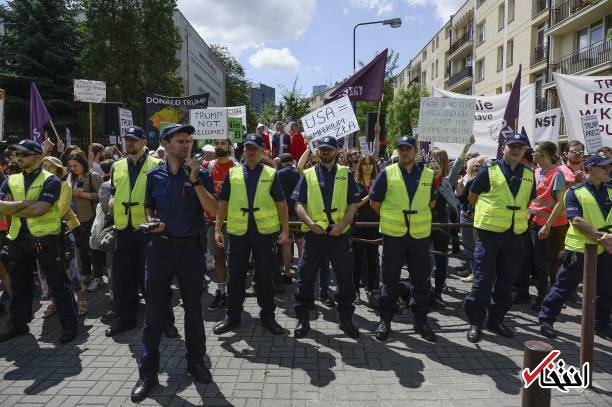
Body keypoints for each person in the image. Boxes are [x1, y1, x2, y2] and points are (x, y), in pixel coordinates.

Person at [132, 124, 218, 402]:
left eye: (189, 141)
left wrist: (194, 180)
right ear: (166, 144)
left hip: (190, 252)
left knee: (194, 311)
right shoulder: (153, 175)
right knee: (154, 313)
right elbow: (149, 207)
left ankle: (196, 361)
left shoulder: (200, 174)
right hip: (159, 250)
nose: (186, 146)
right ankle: (148, 373)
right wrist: (152, 221)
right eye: (180, 141)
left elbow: (214, 210)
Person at [0, 140, 78, 343]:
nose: (19, 158)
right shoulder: (12, 179)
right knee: (19, 283)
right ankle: (18, 324)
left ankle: (69, 327)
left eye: (24, 154)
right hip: (18, 238)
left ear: (37, 156)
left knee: (58, 284)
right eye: (17, 155)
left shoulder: (50, 180)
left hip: (46, 238)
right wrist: (26, 204)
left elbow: (40, 209)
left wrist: (13, 206)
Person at [212, 133, 289, 336]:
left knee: (265, 276)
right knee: (235, 277)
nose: (250, 151)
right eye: (247, 147)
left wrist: (285, 230)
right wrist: (218, 229)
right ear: (243, 150)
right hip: (238, 234)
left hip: (264, 234)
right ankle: (232, 317)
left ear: (263, 150)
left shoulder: (272, 174)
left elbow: (281, 204)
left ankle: (268, 317)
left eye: (254, 147)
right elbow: (223, 203)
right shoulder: (234, 173)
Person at [106, 126, 178, 338]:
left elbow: (165, 198)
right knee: (123, 279)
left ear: (144, 142)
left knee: (154, 279)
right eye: (127, 139)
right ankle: (126, 319)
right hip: (123, 229)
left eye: (134, 140)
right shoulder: (116, 166)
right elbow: (113, 193)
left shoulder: (157, 164)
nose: (130, 143)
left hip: (148, 231)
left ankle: (165, 321)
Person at [464, 133, 536, 343]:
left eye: (520, 147)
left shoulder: (529, 174)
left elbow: (527, 200)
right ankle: (475, 322)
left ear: (524, 151)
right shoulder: (489, 169)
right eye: (512, 146)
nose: (515, 150)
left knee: (507, 280)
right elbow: (472, 196)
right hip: (490, 234)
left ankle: (496, 320)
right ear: (504, 148)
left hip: (515, 234)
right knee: (483, 278)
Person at [292, 136, 361, 339]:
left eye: (329, 149)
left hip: (338, 235)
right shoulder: (308, 174)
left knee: (345, 278)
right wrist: (310, 224)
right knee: (305, 277)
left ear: (336, 151)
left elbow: (353, 205)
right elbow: (298, 204)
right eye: (322, 149)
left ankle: (346, 319)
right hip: (315, 235)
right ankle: (303, 319)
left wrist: (342, 225)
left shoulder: (344, 174)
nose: (325, 153)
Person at [369, 136, 437, 342]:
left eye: (408, 149)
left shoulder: (427, 174)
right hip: (393, 236)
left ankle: (421, 320)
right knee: (389, 280)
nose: (404, 152)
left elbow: (432, 202)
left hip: (419, 236)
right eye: (401, 149)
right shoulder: (387, 173)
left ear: (415, 151)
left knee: (420, 280)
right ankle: (385, 320)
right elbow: (374, 202)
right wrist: (394, 218)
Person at [539, 154, 611, 339]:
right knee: (564, 287)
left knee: (606, 289)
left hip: (606, 250)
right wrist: (601, 237)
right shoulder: (574, 191)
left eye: (608, 166)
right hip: (580, 250)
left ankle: (601, 324)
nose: (608, 169)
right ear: (590, 168)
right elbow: (576, 220)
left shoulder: (610, 190)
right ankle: (546, 319)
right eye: (603, 167)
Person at [515, 142, 566, 310]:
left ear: (544, 153)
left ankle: (542, 296)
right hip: (528, 221)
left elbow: (560, 203)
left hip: (542, 225)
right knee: (523, 258)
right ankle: (523, 293)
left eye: (536, 151)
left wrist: (548, 226)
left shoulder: (557, 174)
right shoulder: (535, 171)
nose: (532, 154)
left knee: (540, 262)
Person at [426, 138, 474, 308]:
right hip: (424, 225)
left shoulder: (446, 182)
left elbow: (458, 165)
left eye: (437, 168)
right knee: (424, 261)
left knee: (441, 261)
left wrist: (466, 146)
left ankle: (438, 294)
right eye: (431, 168)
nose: (434, 171)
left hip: (442, 225)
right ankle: (424, 292)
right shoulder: (422, 184)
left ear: (441, 169)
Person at [39, 156, 81, 320]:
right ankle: (53, 302)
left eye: (49, 167)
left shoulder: (65, 185)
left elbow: (61, 209)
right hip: (41, 233)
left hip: (63, 231)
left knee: (71, 268)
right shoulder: (37, 187)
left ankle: (80, 300)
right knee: (44, 270)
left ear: (57, 169)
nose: (46, 170)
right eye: (43, 167)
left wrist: (37, 210)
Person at [202, 138, 236, 310]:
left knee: (234, 259)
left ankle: (233, 293)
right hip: (212, 220)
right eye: (217, 143)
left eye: (223, 143)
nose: (219, 146)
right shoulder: (207, 166)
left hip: (232, 222)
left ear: (230, 146)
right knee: (218, 258)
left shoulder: (236, 168)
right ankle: (221, 291)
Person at [66, 152, 105, 293]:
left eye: (76, 165)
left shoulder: (93, 176)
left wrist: (82, 194)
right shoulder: (71, 177)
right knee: (81, 249)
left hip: (91, 217)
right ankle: (86, 274)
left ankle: (99, 277)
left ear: (83, 164)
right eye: (70, 166)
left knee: (93, 249)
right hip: (75, 218)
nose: (73, 168)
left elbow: (103, 196)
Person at [352, 155, 380, 305]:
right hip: (358, 224)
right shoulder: (355, 183)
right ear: (360, 166)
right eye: (365, 164)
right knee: (357, 259)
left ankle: (372, 289)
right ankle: (355, 290)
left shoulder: (379, 182)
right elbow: (354, 205)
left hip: (375, 224)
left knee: (372, 258)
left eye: (371, 164)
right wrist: (369, 196)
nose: (368, 167)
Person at [457, 156, 487, 283]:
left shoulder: (472, 181)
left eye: (479, 166)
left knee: (473, 246)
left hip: (475, 217)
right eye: (474, 165)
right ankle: (471, 269)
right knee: (469, 245)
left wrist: (459, 188)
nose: (477, 168)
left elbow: (463, 199)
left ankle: (475, 273)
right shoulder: (470, 180)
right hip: (470, 215)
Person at [277, 153, 302, 282]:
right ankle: (303, 270)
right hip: (297, 210)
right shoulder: (298, 173)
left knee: (286, 242)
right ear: (292, 161)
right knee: (300, 241)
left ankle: (287, 272)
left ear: (282, 162)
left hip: (284, 211)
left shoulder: (278, 174)